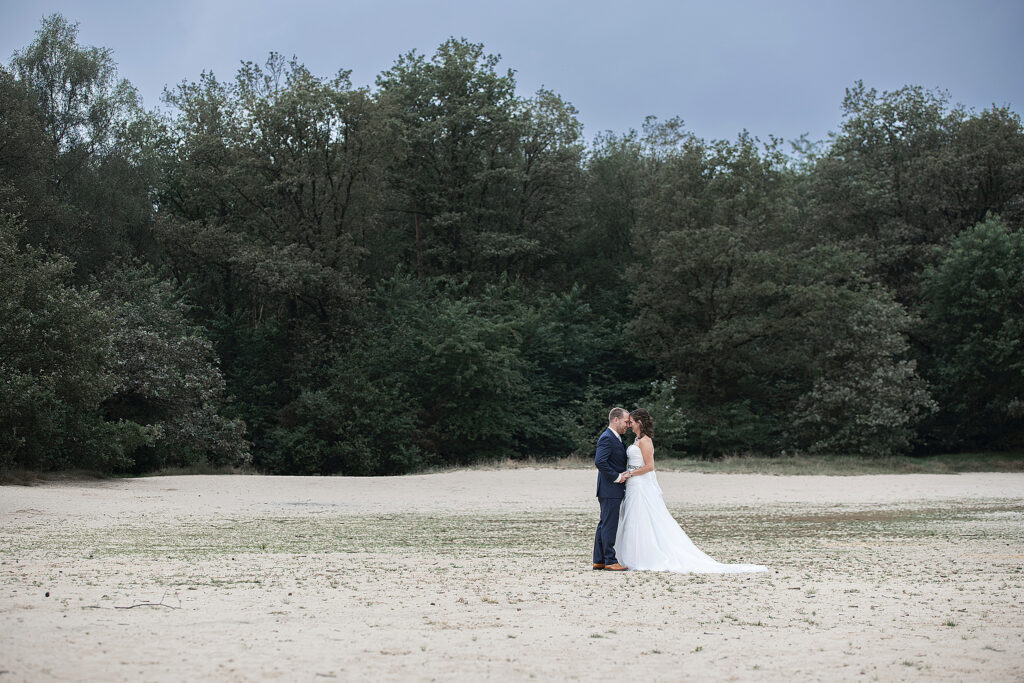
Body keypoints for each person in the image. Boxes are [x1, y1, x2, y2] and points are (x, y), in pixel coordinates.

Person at [614, 408, 767, 573]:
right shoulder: (637, 440)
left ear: (640, 422)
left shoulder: (645, 441)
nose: (629, 425)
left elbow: (650, 466)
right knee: (634, 518)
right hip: (633, 484)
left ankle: (645, 556)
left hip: (640, 484)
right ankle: (633, 554)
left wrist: (631, 473)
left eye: (631, 422)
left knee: (643, 518)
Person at [592, 407, 631, 571]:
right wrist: (617, 477)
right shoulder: (607, 438)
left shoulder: (616, 438)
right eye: (626, 422)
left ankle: (599, 560)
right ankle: (609, 560)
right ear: (616, 419)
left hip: (609, 489)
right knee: (609, 524)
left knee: (604, 523)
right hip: (610, 488)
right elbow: (600, 461)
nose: (628, 425)